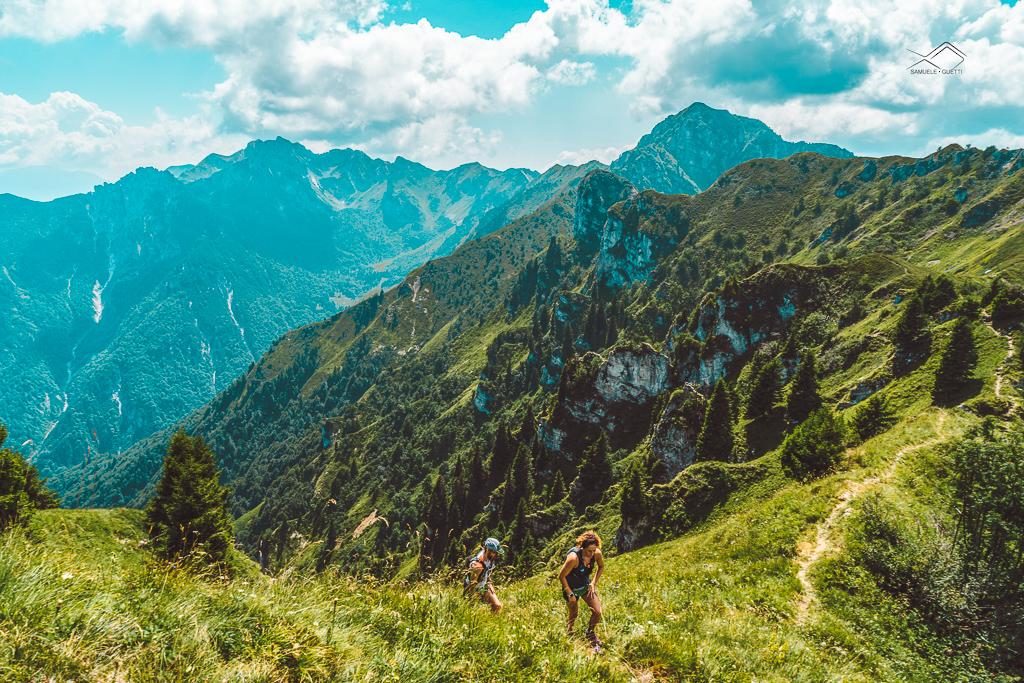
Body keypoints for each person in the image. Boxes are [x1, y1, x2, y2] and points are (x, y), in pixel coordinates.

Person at [558, 530, 605, 649]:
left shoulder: (596, 554)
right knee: (574, 612)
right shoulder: (573, 558)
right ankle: (569, 631)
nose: (592, 553)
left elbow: (601, 566)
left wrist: (593, 583)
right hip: (570, 586)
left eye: (594, 550)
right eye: (589, 551)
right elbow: (561, 576)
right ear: (582, 547)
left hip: (585, 585)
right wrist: (570, 593)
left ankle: (590, 633)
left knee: (597, 611)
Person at [464, 536, 504, 612]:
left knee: (497, 606)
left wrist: (490, 584)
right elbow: (471, 585)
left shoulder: (490, 558)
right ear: (488, 550)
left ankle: (492, 619)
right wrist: (472, 600)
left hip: (484, 585)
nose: (496, 555)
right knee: (475, 611)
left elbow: (488, 572)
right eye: (495, 552)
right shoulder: (477, 566)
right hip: (474, 589)